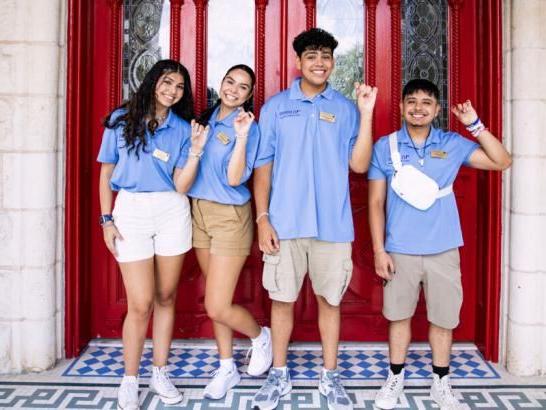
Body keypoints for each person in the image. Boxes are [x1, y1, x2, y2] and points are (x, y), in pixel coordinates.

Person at [251, 28, 378, 410]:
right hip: (285, 224)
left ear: (333, 62)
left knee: (330, 302)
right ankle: (278, 376)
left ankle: (330, 377)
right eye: (311, 56)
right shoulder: (275, 107)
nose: (319, 62)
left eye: (325, 56)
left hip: (332, 225)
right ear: (298, 62)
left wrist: (367, 113)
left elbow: (359, 164)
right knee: (282, 302)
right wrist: (262, 218)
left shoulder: (344, 108)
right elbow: (263, 168)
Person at [368, 79, 512, 409]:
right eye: (412, 101)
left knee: (443, 319)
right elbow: (375, 203)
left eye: (427, 102)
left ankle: (441, 382)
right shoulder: (385, 146)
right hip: (399, 249)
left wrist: (474, 125)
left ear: (437, 109)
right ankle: (395, 378)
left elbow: (502, 161)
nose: (418, 108)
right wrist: (379, 249)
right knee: (399, 316)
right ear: (402, 106)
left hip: (444, 248)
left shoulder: (451, 143)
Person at [97, 59, 209, 410]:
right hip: (130, 210)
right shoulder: (120, 119)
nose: (172, 91)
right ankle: (130, 379)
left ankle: (160, 371)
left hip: (171, 209)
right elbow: (105, 174)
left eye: (179, 86)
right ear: (152, 82)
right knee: (140, 303)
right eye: (167, 82)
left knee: (164, 296)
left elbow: (180, 184)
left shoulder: (180, 128)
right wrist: (106, 220)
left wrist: (194, 150)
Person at [188, 64, 272, 399]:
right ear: (220, 83)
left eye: (242, 87)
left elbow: (236, 178)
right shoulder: (205, 119)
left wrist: (239, 136)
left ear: (250, 95)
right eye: (229, 82)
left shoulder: (249, 127)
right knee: (215, 298)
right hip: (198, 212)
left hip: (229, 217)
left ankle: (259, 335)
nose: (233, 89)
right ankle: (226, 367)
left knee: (217, 305)